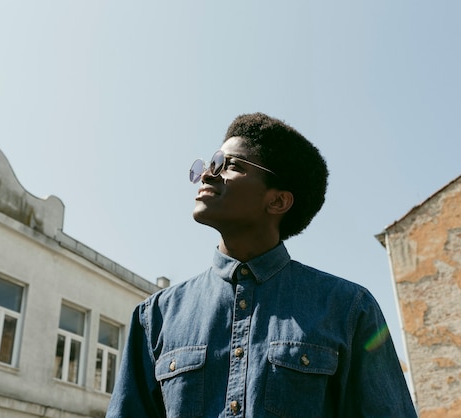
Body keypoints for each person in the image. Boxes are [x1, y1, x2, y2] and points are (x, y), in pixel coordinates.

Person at [106, 113, 416, 417]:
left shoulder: (348, 309)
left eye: (231, 166)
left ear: (278, 201)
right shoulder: (155, 316)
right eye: (210, 162)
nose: (207, 174)